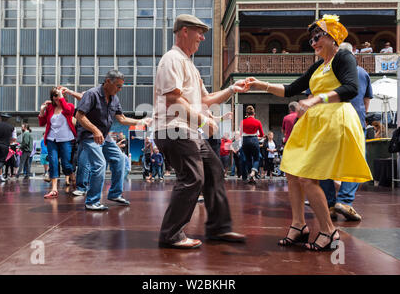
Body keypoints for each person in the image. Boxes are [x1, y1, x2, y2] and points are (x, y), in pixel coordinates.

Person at [246, 14, 372, 251]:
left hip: (334, 120)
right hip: (314, 122)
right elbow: (291, 89)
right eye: (311, 39)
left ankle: (329, 230)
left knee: (307, 177)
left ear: (333, 37)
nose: (313, 42)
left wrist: (317, 99)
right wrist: (260, 84)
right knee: (292, 171)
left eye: (318, 37)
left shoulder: (343, 56)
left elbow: (351, 89)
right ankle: (298, 225)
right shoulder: (318, 66)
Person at [153, 14, 247, 249]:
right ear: (184, 31)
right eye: (199, 32)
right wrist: (204, 123)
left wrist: (232, 89)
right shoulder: (172, 59)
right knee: (193, 178)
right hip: (172, 129)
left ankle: (218, 228)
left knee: (214, 170)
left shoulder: (189, 65)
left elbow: (205, 99)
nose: (203, 38)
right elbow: (173, 101)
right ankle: (171, 234)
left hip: (187, 130)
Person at [74, 70, 152, 210]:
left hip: (104, 136)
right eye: (118, 86)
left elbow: (121, 119)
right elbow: (80, 116)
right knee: (99, 164)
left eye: (121, 86)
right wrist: (95, 130)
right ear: (108, 81)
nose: (120, 89)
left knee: (121, 159)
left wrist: (141, 121)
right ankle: (92, 201)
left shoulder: (114, 98)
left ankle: (115, 194)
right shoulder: (92, 94)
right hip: (89, 136)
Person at [319, 41, 373, 221]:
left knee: (325, 162)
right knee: (355, 161)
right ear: (353, 54)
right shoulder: (362, 73)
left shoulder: (325, 71)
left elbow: (314, 97)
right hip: (355, 122)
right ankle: (345, 201)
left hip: (330, 122)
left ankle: (329, 202)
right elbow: (366, 102)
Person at [38, 87, 77, 198]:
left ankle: (72, 175)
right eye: (54, 95)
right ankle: (54, 189)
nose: (56, 97)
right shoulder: (50, 107)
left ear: (63, 96)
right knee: (53, 162)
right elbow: (42, 123)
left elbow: (69, 112)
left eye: (58, 95)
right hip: (52, 139)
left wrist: (61, 97)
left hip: (66, 139)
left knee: (66, 164)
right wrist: (42, 111)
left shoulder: (69, 106)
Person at [240, 105, 264, 184]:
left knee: (248, 159)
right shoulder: (257, 122)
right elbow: (261, 134)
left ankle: (251, 177)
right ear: (254, 113)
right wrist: (258, 137)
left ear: (246, 114)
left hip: (245, 140)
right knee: (257, 158)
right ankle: (253, 172)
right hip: (254, 139)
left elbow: (240, 134)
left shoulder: (242, 122)